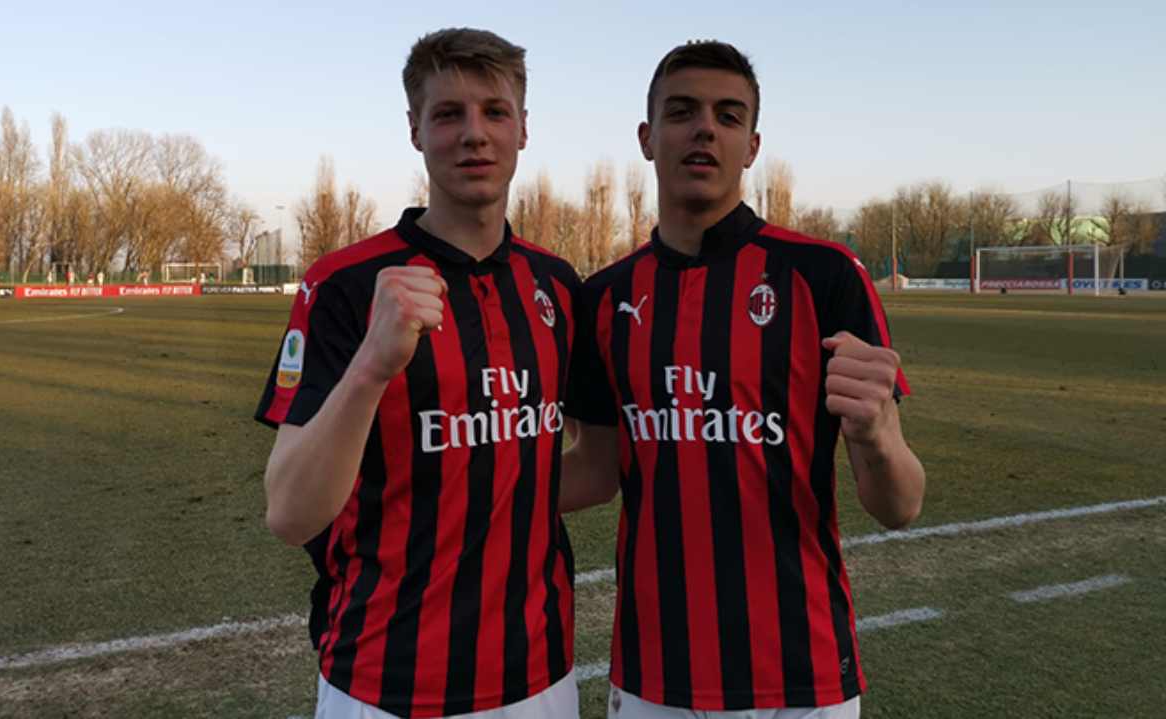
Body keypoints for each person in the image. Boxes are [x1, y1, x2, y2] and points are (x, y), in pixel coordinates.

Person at [562, 41, 925, 719]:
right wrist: (460, 485)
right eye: (682, 112)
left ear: (751, 146)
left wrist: (877, 435)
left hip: (802, 676)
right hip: (654, 675)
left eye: (728, 116)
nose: (705, 128)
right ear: (647, 137)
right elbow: (594, 468)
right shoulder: (605, 298)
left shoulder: (823, 276)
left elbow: (900, 505)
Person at [255, 28, 580, 719]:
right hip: (385, 681)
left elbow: (595, 467)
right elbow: (289, 512)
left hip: (540, 675)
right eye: (448, 114)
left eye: (495, 112)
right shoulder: (344, 284)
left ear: (524, 129)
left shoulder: (556, 284)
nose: (474, 134)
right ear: (415, 131)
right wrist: (371, 366)